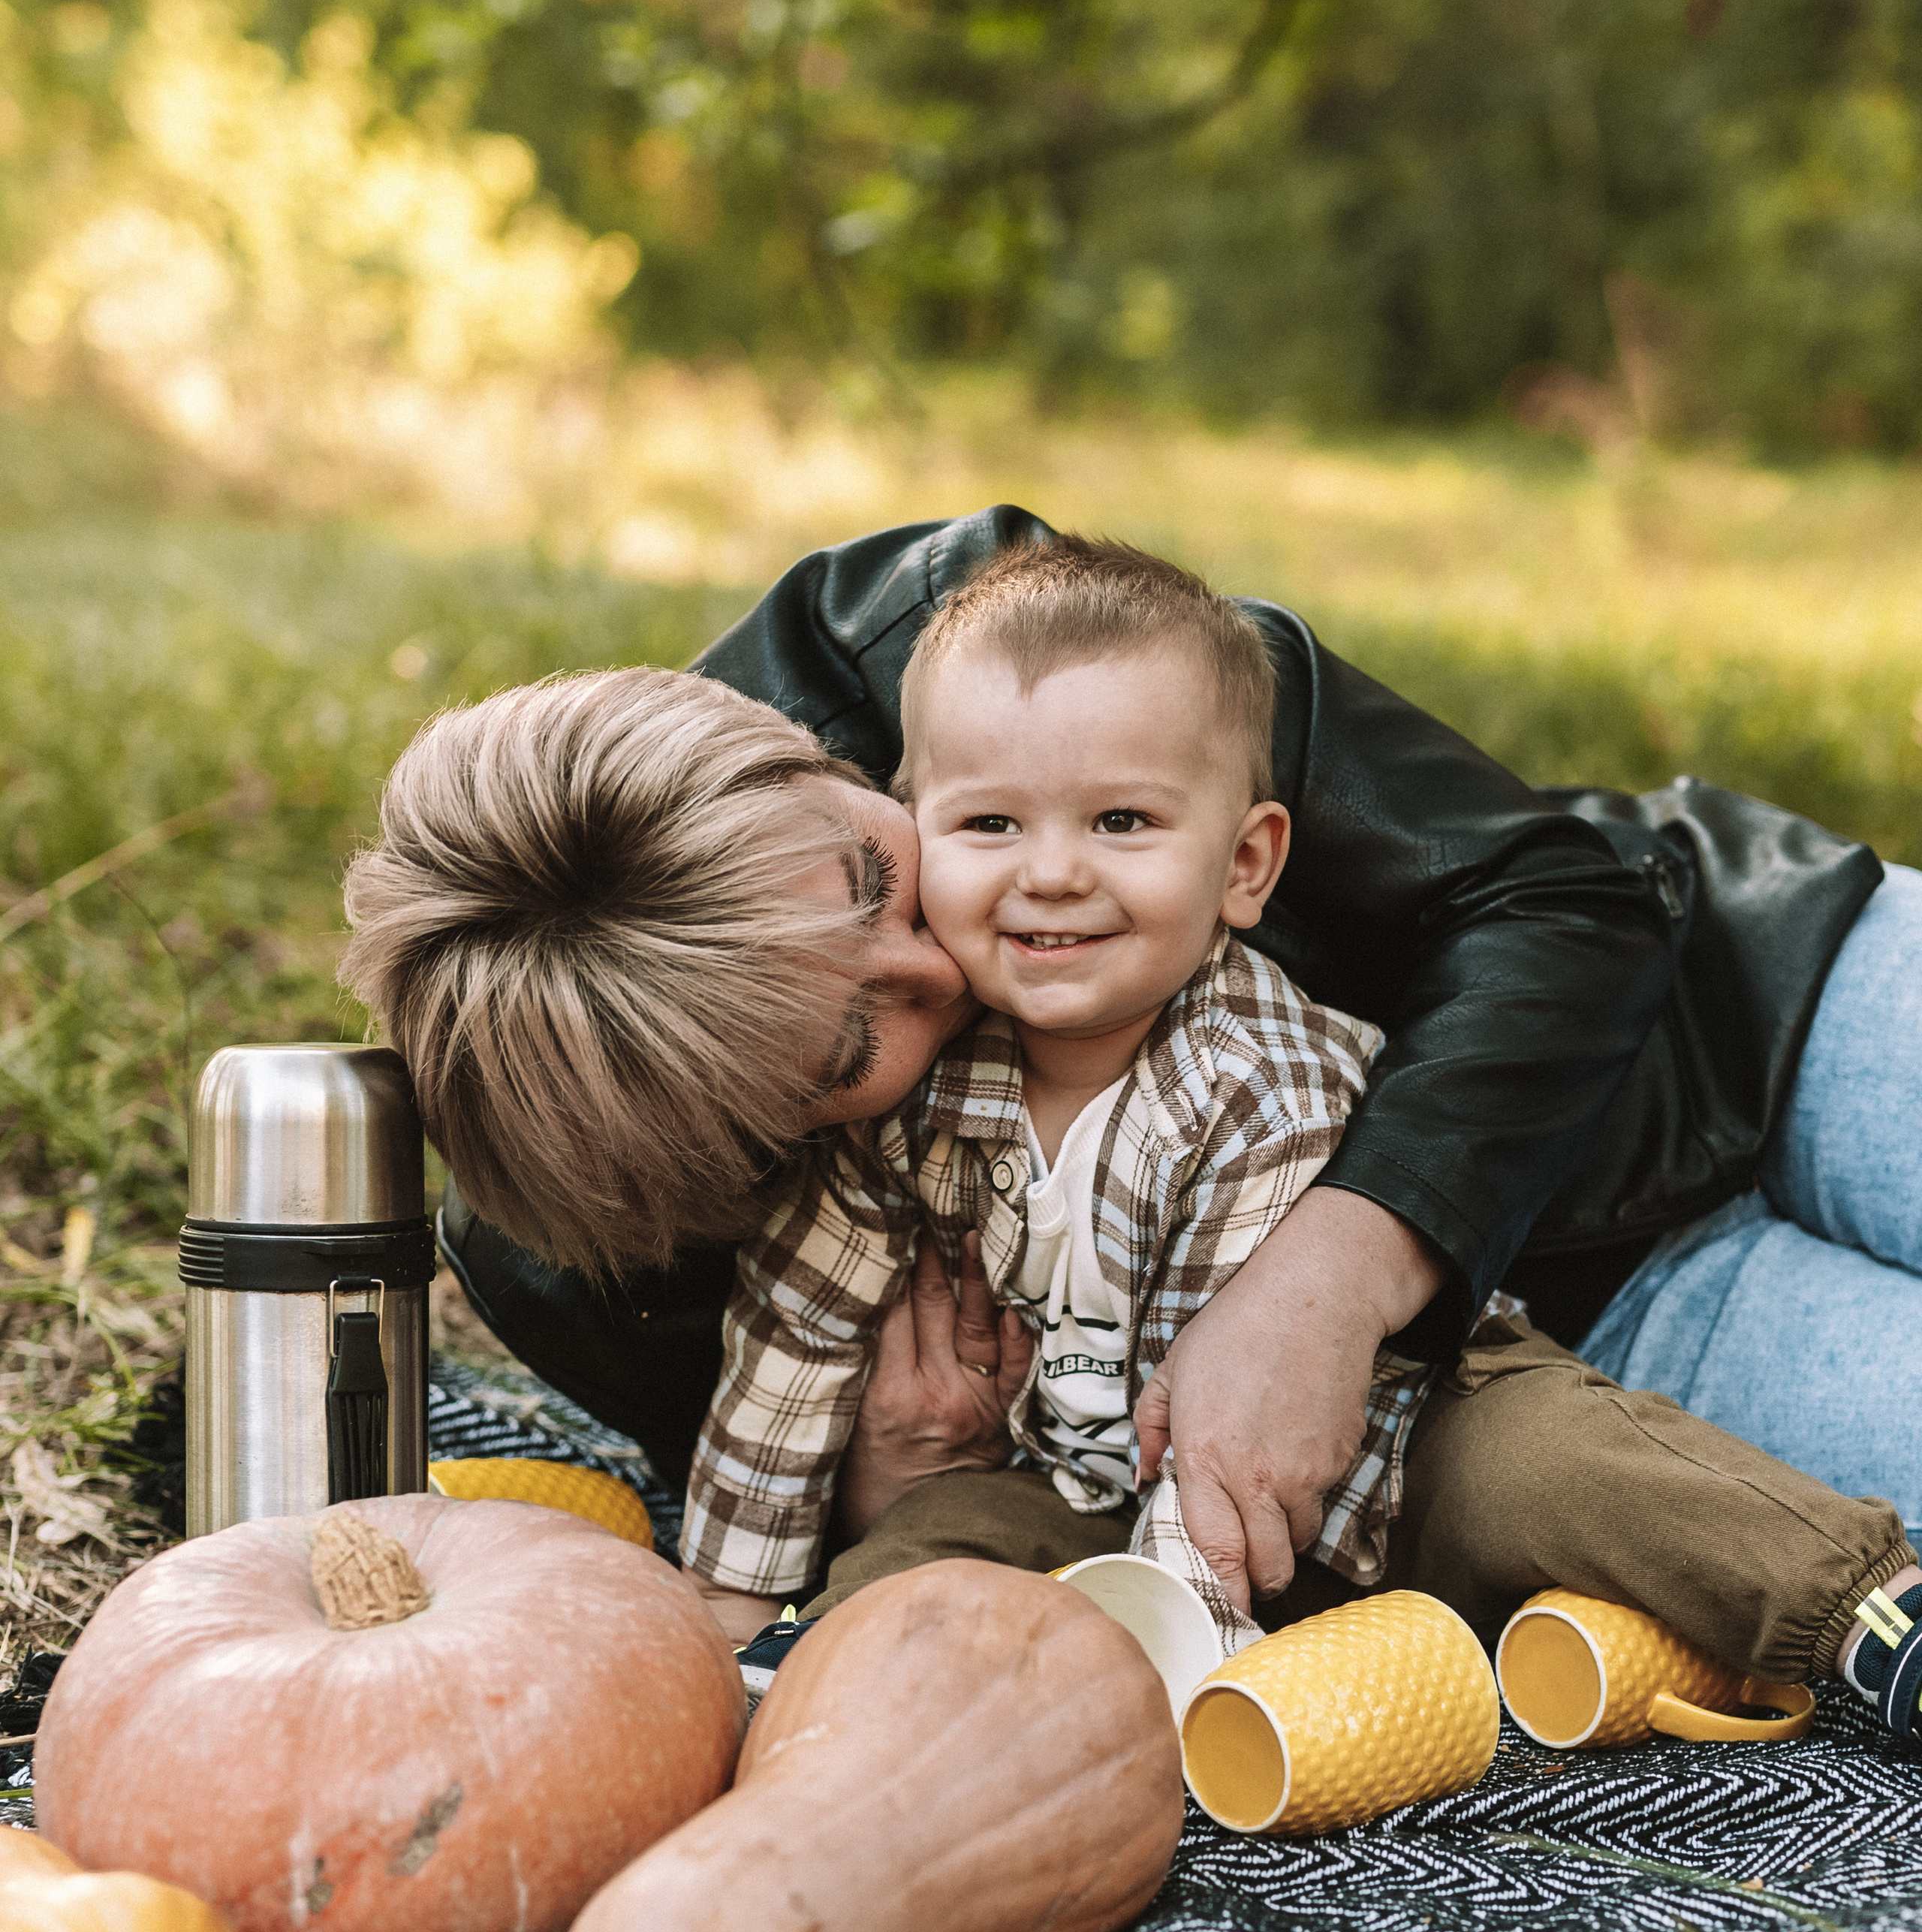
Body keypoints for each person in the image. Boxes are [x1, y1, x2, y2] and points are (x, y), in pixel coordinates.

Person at [343, 545, 1922, 1741]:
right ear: (745, 1150)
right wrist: (875, 1490)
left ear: (812, 752)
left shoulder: (958, 636)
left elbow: (1562, 898)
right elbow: (827, 1430)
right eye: (844, 1049)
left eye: (864, 876)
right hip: (1620, 1331)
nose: (940, 962)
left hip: (1742, 1003)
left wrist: (1328, 1275)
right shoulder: (603, 1254)